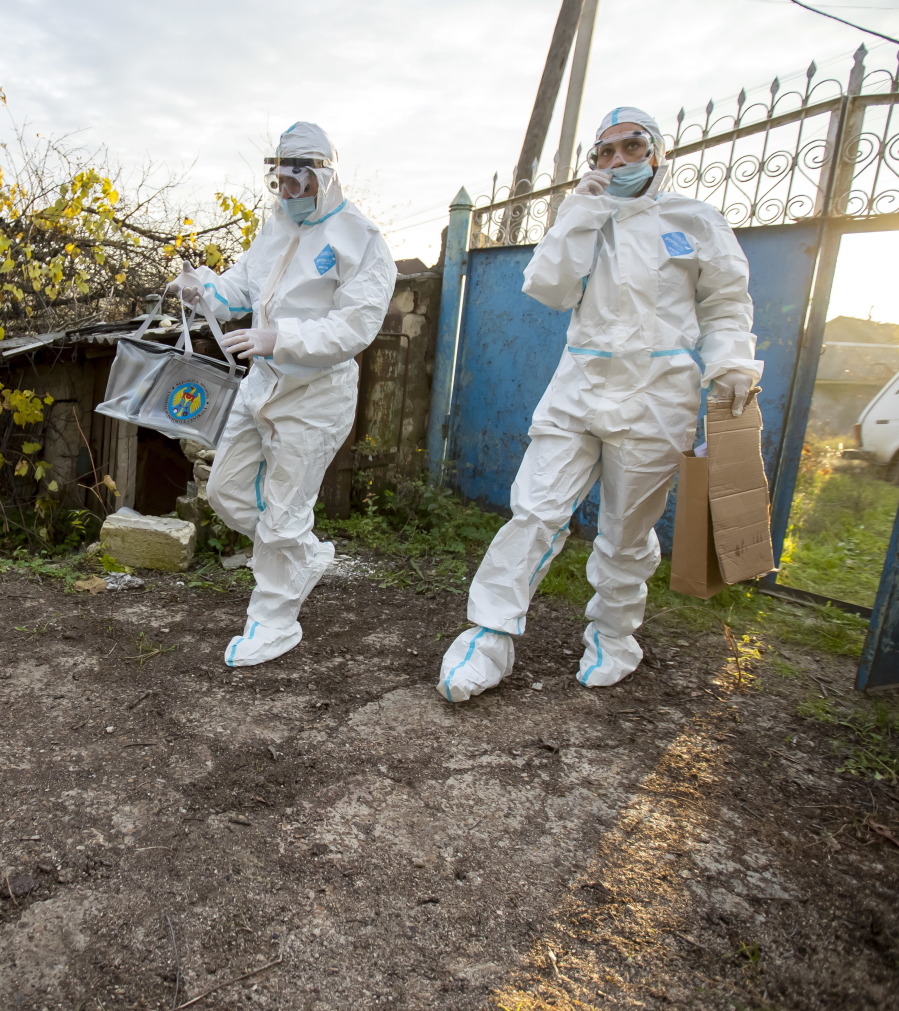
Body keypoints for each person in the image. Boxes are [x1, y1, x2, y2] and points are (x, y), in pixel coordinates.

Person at [436, 106, 761, 699]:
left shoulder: (694, 219)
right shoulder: (586, 216)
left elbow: (726, 301)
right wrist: (578, 213)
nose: (616, 162)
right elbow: (549, 288)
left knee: (626, 530)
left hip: (658, 394)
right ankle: (487, 639)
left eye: (630, 148)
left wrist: (733, 361)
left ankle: (613, 635)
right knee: (534, 511)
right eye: (604, 153)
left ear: (656, 153)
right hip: (580, 383)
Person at [171, 122, 394, 666]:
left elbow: (355, 328)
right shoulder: (275, 230)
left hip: (315, 397)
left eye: (299, 183)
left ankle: (274, 623)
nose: (289, 195)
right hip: (262, 386)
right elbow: (242, 286)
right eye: (281, 184)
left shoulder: (360, 240)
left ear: (324, 176)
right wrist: (203, 287)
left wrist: (281, 338)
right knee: (225, 492)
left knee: (284, 513)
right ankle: (300, 555)